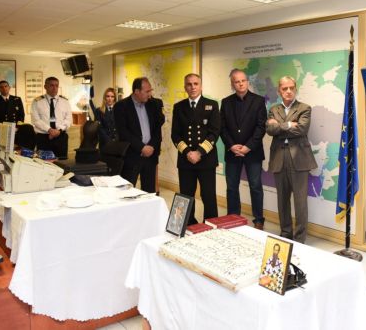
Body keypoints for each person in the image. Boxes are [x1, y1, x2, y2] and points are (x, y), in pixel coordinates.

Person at [266, 76, 317, 244]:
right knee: (282, 199)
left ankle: (300, 238)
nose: (288, 91)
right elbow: (270, 130)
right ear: (279, 91)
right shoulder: (273, 109)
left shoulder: (304, 108)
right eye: (284, 88)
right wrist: (288, 125)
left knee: (300, 201)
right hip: (279, 157)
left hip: (299, 159)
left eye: (291, 88)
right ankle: (286, 233)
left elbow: (301, 130)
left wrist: (279, 126)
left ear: (295, 89)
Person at [220, 69, 267, 229]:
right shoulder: (226, 102)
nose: (240, 84)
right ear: (232, 84)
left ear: (247, 82)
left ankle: (258, 219)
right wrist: (231, 145)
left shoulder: (258, 101)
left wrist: (248, 147)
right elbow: (222, 127)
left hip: (253, 152)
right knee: (232, 187)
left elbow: (261, 127)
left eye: (243, 81)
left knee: (255, 186)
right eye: (237, 81)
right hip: (232, 152)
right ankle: (233, 217)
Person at [171, 73, 220, 225]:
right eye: (189, 84)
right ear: (185, 87)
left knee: (208, 196)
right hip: (186, 160)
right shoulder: (179, 107)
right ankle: (188, 224)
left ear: (201, 86)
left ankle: (211, 225)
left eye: (196, 84)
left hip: (206, 159)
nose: (192, 87)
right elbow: (175, 135)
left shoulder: (212, 105)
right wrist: (188, 153)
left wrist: (199, 152)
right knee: (186, 196)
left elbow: (214, 132)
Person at [114, 77, 165, 194]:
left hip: (150, 155)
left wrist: (151, 147)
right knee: (127, 192)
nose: (150, 94)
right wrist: (142, 147)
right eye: (147, 91)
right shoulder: (121, 106)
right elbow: (123, 132)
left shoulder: (153, 105)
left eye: (150, 90)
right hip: (132, 156)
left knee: (149, 192)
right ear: (137, 91)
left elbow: (157, 128)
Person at [31, 76, 72, 159]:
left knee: (62, 162)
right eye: (51, 85)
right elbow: (35, 120)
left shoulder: (65, 101)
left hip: (60, 137)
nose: (54, 88)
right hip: (43, 138)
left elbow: (68, 119)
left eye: (56, 85)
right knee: (43, 163)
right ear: (45, 86)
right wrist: (49, 130)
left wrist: (58, 131)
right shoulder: (37, 101)